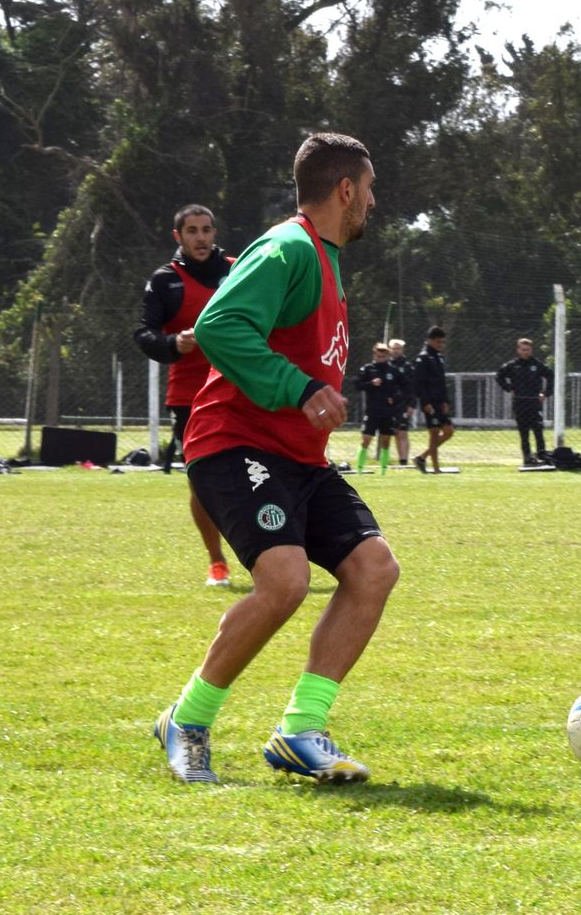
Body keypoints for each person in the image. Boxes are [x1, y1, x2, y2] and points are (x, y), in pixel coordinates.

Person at [153, 132, 398, 784]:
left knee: (373, 569)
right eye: (369, 189)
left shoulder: (327, 259)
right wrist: (302, 388)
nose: (372, 202)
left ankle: (300, 732)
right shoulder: (288, 246)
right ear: (345, 190)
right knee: (285, 580)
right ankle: (189, 719)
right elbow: (219, 326)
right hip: (236, 443)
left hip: (298, 457)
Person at [134, 204, 235, 586]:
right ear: (179, 237)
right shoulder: (165, 280)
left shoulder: (236, 269)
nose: (201, 237)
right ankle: (216, 562)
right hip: (190, 397)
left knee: (261, 471)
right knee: (203, 483)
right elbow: (144, 334)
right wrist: (175, 343)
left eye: (206, 229)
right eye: (192, 231)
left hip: (242, 388)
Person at [496, 338, 554, 465]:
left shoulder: (537, 365)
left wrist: (545, 393)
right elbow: (499, 376)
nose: (526, 352)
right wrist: (509, 388)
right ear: (518, 350)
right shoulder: (512, 365)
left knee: (538, 429)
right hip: (520, 402)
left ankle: (542, 455)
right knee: (524, 431)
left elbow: (550, 375)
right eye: (523, 350)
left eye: (528, 350)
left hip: (534, 402)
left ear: (531, 350)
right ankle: (527, 457)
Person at [353, 342, 402, 474]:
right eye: (378, 355)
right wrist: (371, 384)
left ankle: (383, 472)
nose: (380, 358)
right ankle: (359, 470)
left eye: (383, 356)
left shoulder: (393, 370)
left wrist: (395, 398)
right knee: (366, 440)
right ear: (374, 354)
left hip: (387, 412)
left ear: (387, 356)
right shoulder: (368, 369)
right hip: (372, 411)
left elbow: (404, 388)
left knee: (386, 442)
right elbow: (357, 385)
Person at [411, 326, 454, 473]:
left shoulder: (439, 357)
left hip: (440, 402)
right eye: (438, 342)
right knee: (434, 434)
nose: (441, 345)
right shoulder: (423, 358)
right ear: (429, 340)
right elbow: (418, 383)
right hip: (430, 402)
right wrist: (425, 403)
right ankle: (436, 469)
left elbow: (441, 382)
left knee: (448, 431)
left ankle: (422, 458)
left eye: (443, 342)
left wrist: (446, 401)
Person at [387, 338, 414, 465]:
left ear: (402, 350)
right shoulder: (386, 365)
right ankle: (393, 460)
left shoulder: (408, 366)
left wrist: (411, 405)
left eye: (398, 348)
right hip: (389, 405)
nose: (396, 351)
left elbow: (413, 387)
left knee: (403, 432)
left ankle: (404, 462)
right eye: (393, 348)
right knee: (394, 433)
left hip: (403, 404)